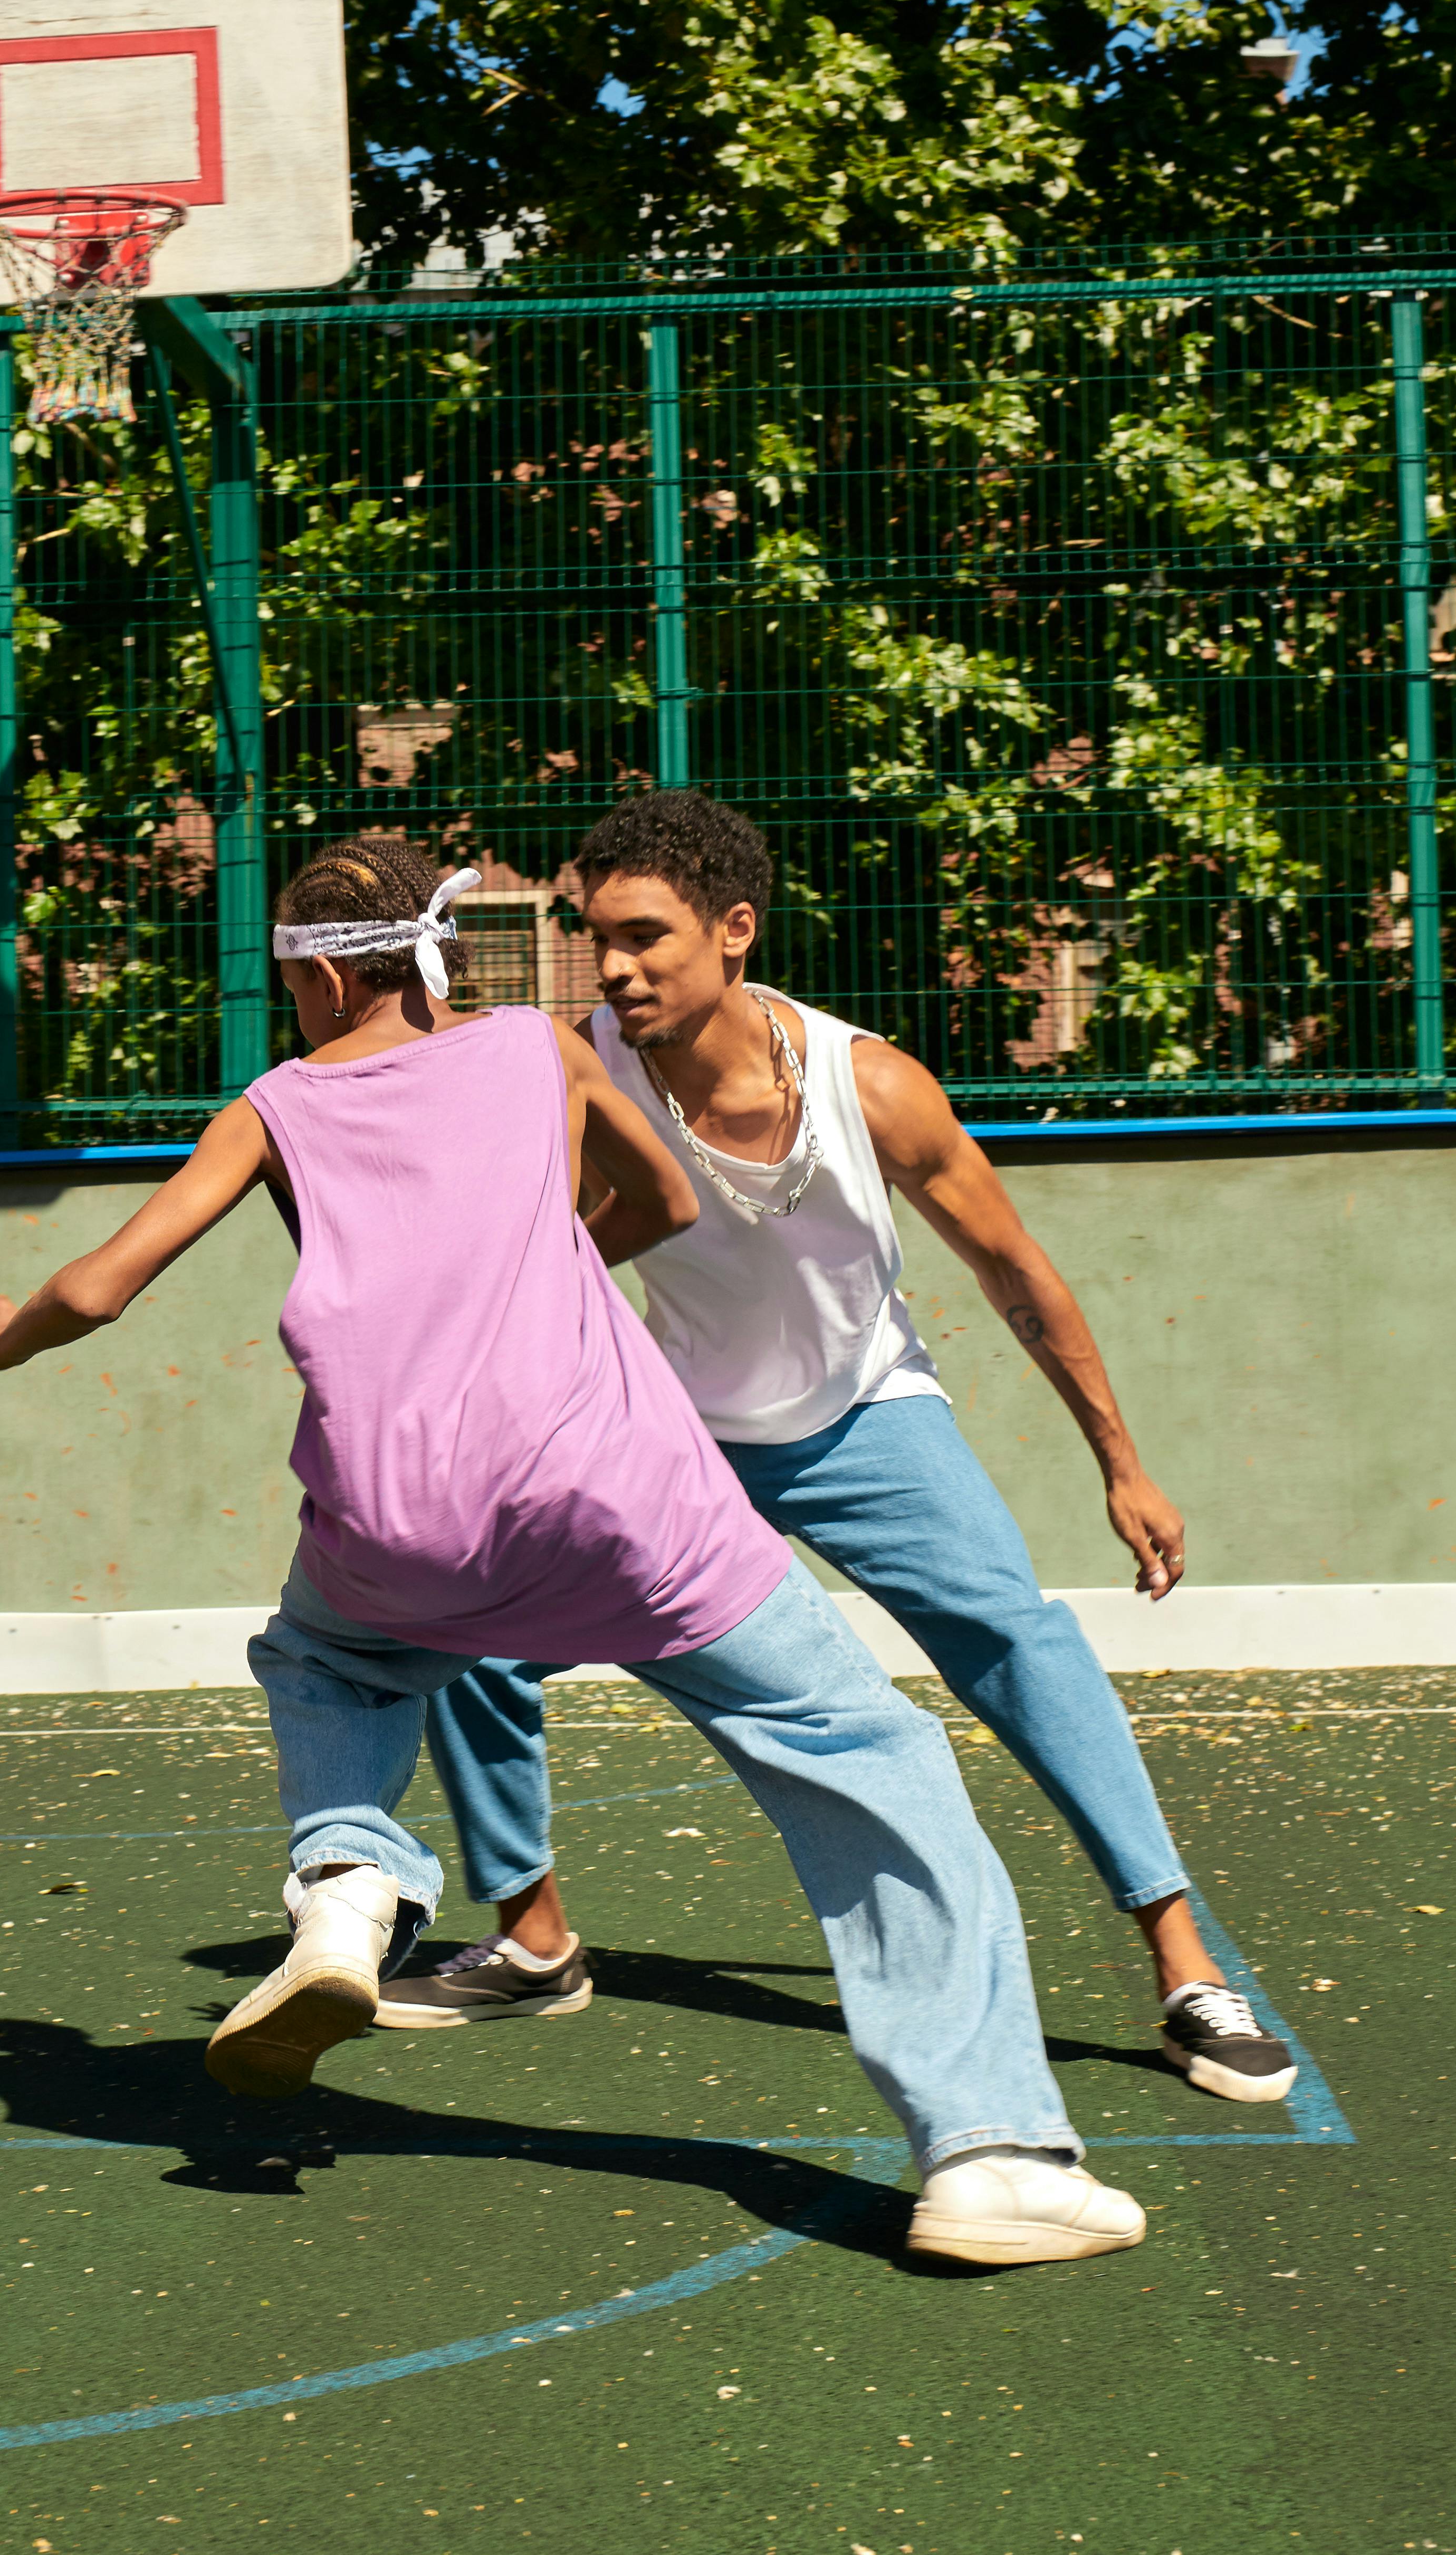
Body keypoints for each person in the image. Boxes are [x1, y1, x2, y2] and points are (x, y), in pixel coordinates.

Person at [0, 836, 1147, 2267]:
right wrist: (547, 1249)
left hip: (391, 1521)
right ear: (426, 957)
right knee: (862, 1753)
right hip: (616, 1500)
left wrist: (4, 1334)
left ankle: (346, 1893)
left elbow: (102, 1284)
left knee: (326, 1659)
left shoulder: (270, 1107)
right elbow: (671, 1205)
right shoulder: (532, 1051)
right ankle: (991, 2152)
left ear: (311, 982)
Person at [378, 790, 1296, 2110]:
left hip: (868, 1418)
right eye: (596, 939)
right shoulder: (577, 1068)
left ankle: (1185, 1971)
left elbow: (1016, 1272)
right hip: (679, 1439)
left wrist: (1121, 1462)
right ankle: (532, 1939)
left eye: (646, 936)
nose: (615, 966)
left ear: (734, 930)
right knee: (467, 1632)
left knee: (1018, 1643)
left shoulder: (869, 1083)